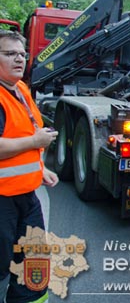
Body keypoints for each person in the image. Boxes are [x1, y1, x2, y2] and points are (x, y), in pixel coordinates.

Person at [0, 29, 58, 303]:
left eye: (22, 54)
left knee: (34, 262)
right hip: (2, 200)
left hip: (26, 196)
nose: (19, 59)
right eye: (9, 54)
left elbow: (22, 134)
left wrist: (40, 168)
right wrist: (36, 140)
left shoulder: (20, 89)